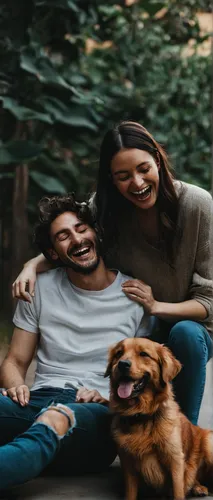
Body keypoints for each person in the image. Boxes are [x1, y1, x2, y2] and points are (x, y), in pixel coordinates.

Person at [13, 122, 213, 426]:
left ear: (157, 161)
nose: (137, 183)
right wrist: (31, 265)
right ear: (112, 180)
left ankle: (182, 443)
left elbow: (209, 300)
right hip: (143, 324)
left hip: (192, 326)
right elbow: (70, 237)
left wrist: (157, 306)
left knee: (184, 333)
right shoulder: (104, 209)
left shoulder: (197, 205)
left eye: (144, 169)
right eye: (123, 176)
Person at [0, 193, 147, 489]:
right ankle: (28, 455)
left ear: (95, 233)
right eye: (63, 236)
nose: (77, 239)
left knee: (54, 419)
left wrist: (109, 396)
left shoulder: (135, 296)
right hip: (37, 400)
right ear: (53, 253)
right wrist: (15, 385)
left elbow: (146, 378)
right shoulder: (39, 289)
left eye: (81, 229)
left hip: (97, 414)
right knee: (37, 419)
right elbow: (15, 361)